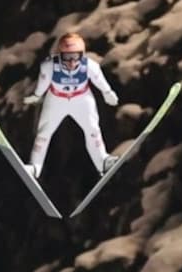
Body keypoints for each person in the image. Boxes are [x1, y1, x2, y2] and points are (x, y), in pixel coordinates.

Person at [23, 32, 120, 177]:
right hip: (57, 99)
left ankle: (103, 161)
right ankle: (35, 167)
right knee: (44, 132)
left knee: (93, 129)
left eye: (76, 56)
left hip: (81, 98)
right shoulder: (49, 66)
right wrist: (36, 96)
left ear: (82, 55)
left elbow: (99, 80)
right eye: (67, 57)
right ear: (60, 55)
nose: (71, 62)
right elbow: (43, 84)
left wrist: (108, 93)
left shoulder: (90, 66)